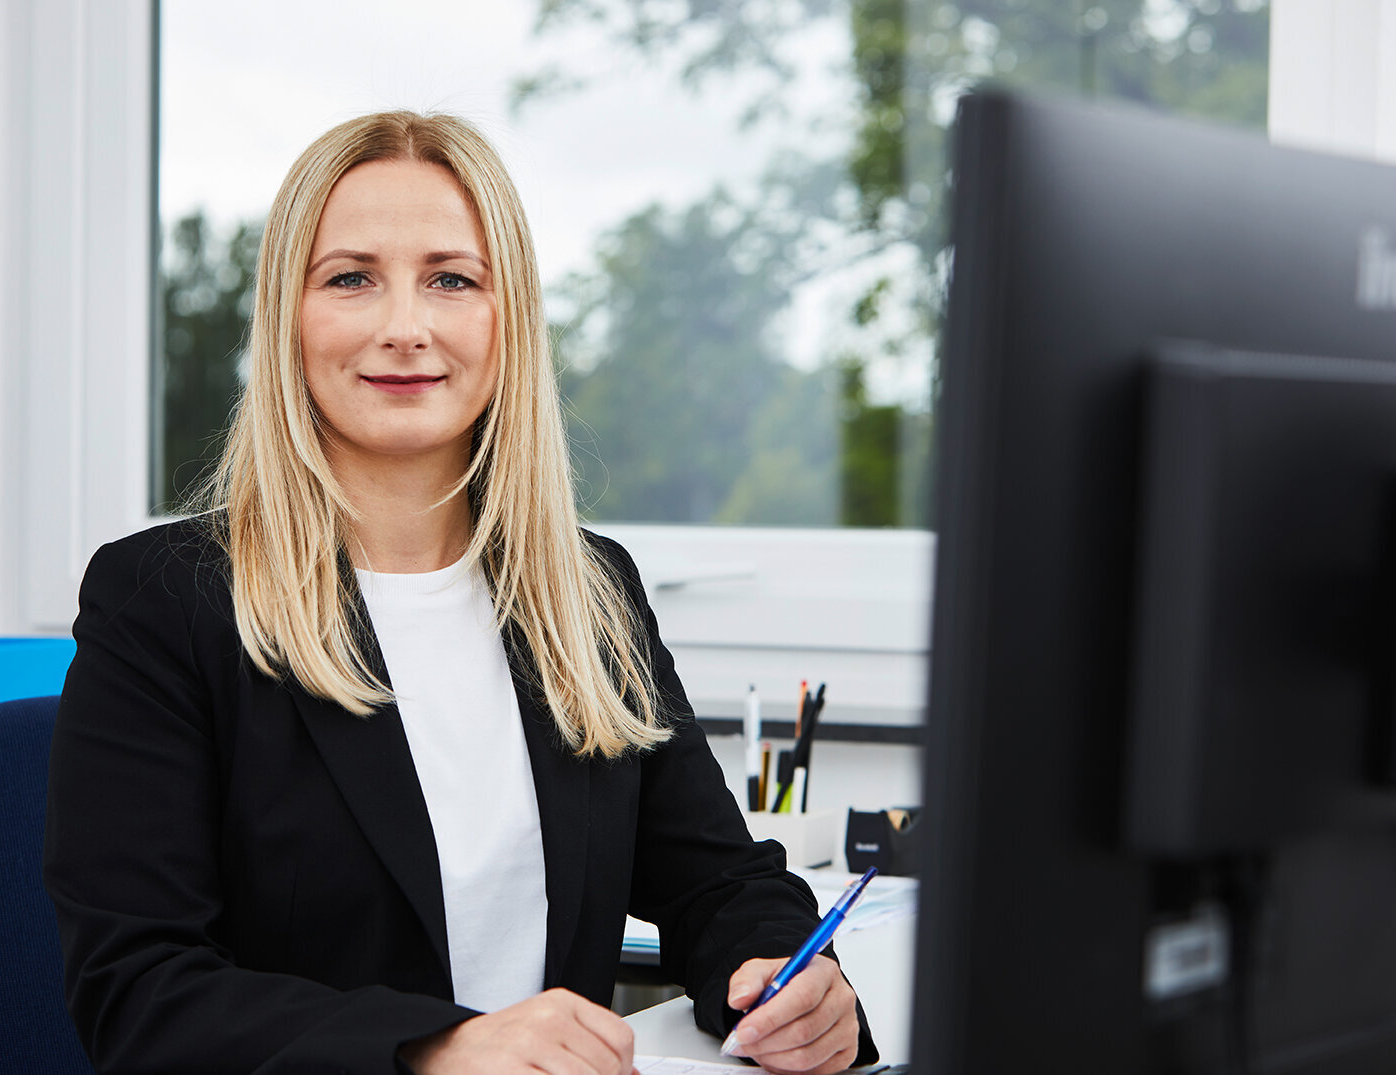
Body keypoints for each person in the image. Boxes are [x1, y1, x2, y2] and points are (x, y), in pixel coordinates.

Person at [43, 111, 877, 1075]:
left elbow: (716, 878)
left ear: (505, 314)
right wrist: (434, 1048)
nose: (406, 327)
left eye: (452, 278)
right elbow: (137, 992)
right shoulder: (166, 602)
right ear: (289, 316)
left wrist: (785, 977)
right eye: (351, 277)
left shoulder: (584, 589)